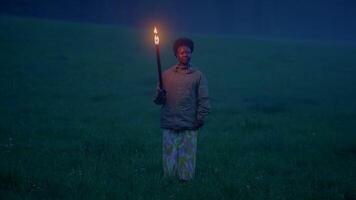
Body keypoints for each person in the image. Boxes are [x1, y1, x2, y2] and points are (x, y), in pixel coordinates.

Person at [154, 37, 210, 181]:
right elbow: (159, 101)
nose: (185, 54)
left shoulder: (198, 75)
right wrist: (160, 95)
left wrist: (200, 118)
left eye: (188, 52)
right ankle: (169, 183)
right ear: (176, 55)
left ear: (191, 54)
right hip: (170, 123)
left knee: (187, 160)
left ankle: (186, 186)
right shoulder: (166, 75)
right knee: (169, 160)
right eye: (181, 52)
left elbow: (203, 99)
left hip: (189, 124)